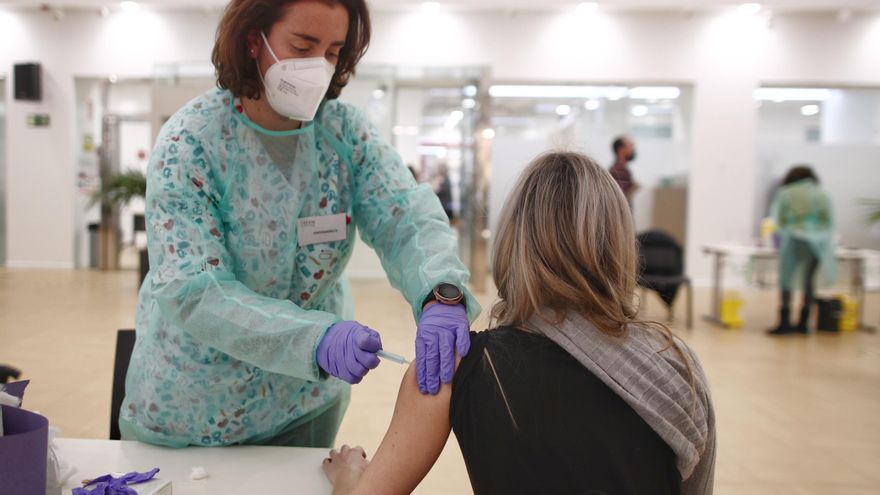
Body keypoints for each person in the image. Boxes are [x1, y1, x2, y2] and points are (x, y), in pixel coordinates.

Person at [120, 0, 480, 449]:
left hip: (304, 405)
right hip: (197, 404)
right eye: (302, 45)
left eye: (332, 51)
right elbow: (194, 289)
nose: (319, 67)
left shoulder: (344, 135)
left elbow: (403, 215)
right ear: (255, 40)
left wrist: (440, 293)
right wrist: (314, 338)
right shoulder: (190, 143)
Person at [322, 151, 716, 495]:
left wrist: (349, 474)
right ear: (619, 245)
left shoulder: (451, 369)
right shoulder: (677, 367)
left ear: (513, 243)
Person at [767, 165, 835, 336]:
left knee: (786, 279)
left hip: (793, 240)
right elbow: (829, 222)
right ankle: (804, 323)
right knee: (808, 281)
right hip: (817, 242)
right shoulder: (822, 194)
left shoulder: (786, 193)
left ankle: (784, 322)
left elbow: (779, 219)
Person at [609, 135, 639, 205]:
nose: (633, 149)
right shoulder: (616, 171)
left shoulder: (625, 171)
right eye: (630, 146)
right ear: (621, 150)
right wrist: (633, 188)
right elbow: (619, 200)